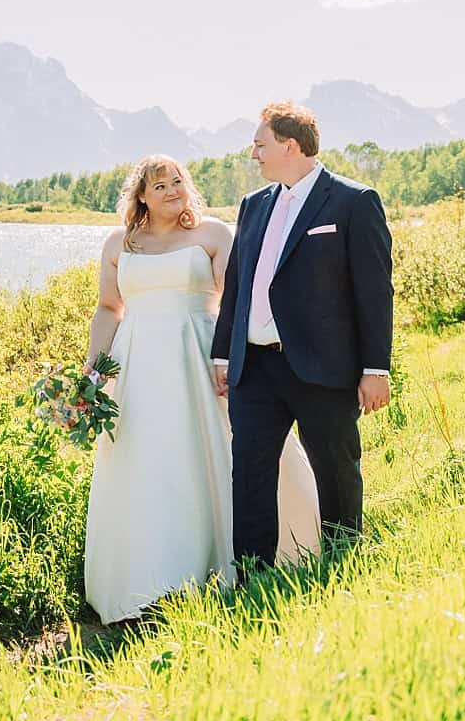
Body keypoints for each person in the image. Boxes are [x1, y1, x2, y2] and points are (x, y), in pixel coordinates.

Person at [83, 154, 319, 624]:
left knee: (218, 451)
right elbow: (110, 308)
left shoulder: (212, 235)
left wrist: (229, 358)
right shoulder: (118, 243)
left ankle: (239, 561)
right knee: (145, 461)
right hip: (136, 365)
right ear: (142, 196)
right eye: (160, 185)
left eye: (178, 181)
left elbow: (238, 302)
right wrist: (93, 370)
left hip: (199, 355)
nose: (172, 190)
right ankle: (147, 580)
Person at [211, 102, 394, 571]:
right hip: (254, 369)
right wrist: (222, 354)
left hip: (323, 369)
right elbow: (238, 284)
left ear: (289, 146)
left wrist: (376, 369)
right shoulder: (254, 206)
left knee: (335, 473)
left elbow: (374, 292)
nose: (254, 154)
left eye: (260, 144)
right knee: (250, 475)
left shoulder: (354, 202)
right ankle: (253, 574)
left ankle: (343, 562)